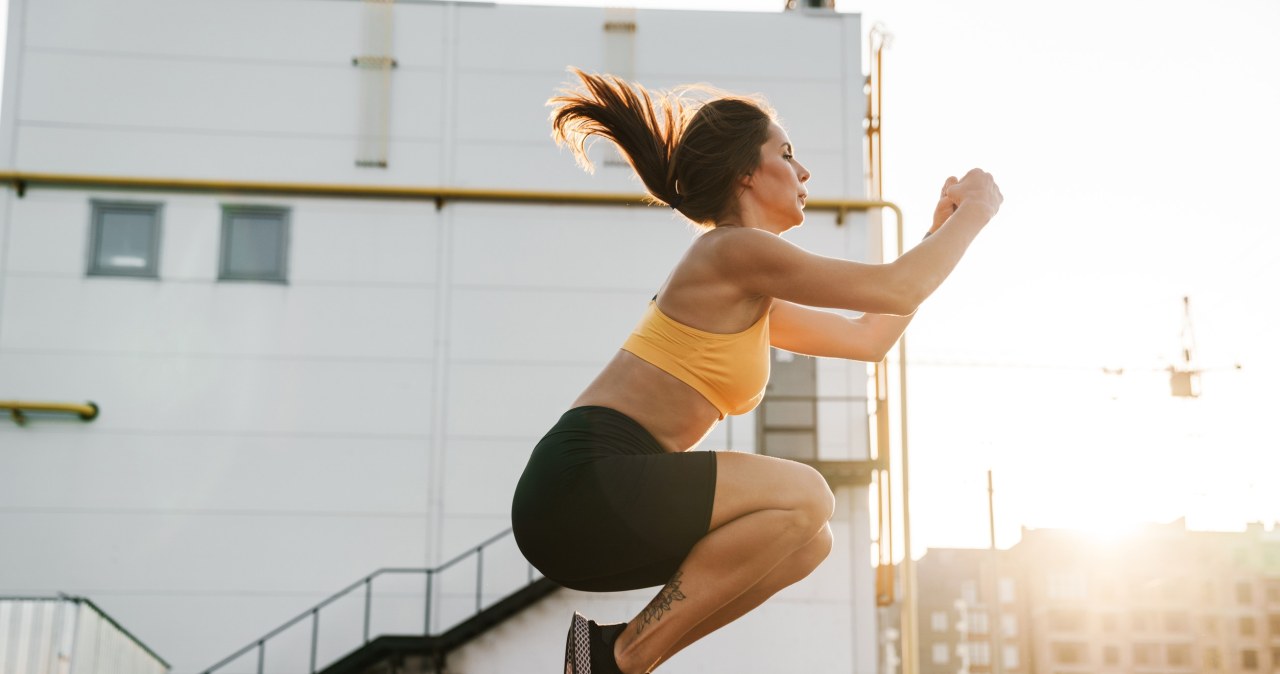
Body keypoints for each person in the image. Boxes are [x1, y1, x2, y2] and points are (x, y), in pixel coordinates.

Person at [511, 69, 1002, 674]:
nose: (804, 173)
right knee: (806, 496)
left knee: (807, 540)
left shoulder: (744, 286)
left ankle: (619, 655)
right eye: (787, 154)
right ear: (746, 173)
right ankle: (619, 658)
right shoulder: (733, 251)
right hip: (580, 484)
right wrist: (975, 213)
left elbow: (868, 335)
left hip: (588, 508)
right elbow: (897, 286)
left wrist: (939, 228)